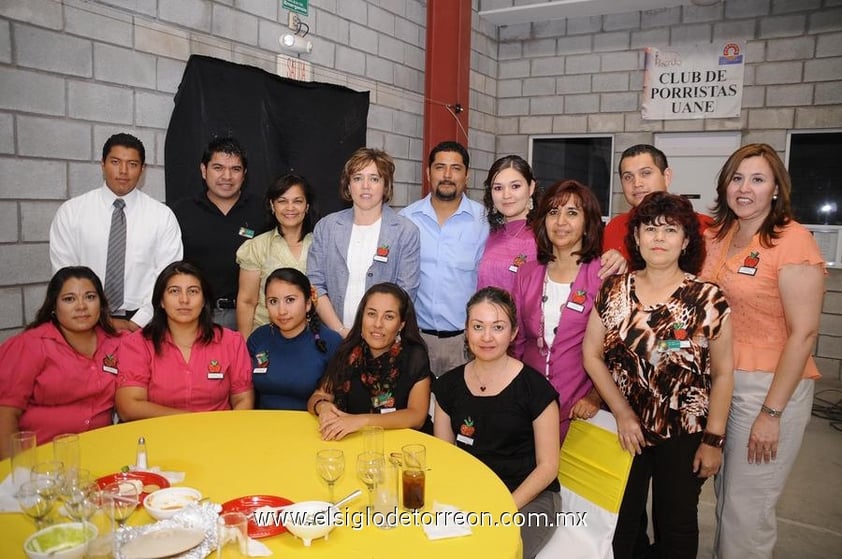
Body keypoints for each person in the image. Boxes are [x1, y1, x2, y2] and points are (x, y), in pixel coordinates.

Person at [582, 192, 734, 559]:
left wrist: (712, 442)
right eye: (650, 229)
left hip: (684, 431)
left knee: (677, 524)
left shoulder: (707, 299)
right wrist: (621, 412)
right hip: (625, 429)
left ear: (685, 240)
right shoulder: (615, 289)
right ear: (636, 238)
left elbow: (724, 373)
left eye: (670, 229)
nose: (659, 238)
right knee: (622, 522)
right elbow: (591, 354)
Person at [699, 144, 825, 559]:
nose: (745, 188)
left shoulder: (792, 241)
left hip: (768, 387)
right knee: (725, 496)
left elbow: (804, 334)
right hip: (720, 382)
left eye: (757, 179)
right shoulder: (717, 235)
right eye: (737, 178)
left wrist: (771, 414)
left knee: (747, 511)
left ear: (776, 188)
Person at [433, 287, 560, 559]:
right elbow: (446, 457)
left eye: (498, 327)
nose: (487, 337)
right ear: (466, 331)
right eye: (478, 326)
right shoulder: (448, 386)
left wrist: (502, 508)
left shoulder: (536, 390)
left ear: (513, 333)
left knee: (493, 550)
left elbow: (548, 467)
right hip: (470, 493)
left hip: (527, 498)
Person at [49, 132, 183, 332]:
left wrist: (138, 321)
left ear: (142, 169)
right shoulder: (72, 212)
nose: (123, 171)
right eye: (115, 162)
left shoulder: (162, 216)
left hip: (145, 323)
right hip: (85, 320)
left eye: (132, 164)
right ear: (102, 164)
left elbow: (168, 276)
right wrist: (99, 319)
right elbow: (64, 275)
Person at [511, 180, 604, 443]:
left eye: (572, 213)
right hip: (530, 404)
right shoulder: (527, 273)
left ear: (588, 224)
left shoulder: (604, 276)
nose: (561, 221)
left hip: (581, 409)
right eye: (553, 212)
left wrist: (596, 396)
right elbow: (517, 342)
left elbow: (615, 350)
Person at [0, 267, 121, 457]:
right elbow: (5, 413)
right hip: (40, 460)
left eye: (90, 297)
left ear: (101, 303)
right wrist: (16, 472)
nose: (81, 306)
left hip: (100, 453)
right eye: (69, 299)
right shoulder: (30, 345)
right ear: (54, 307)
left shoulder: (116, 343)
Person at [115, 261, 254, 420]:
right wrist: (192, 422)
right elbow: (129, 406)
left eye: (193, 291)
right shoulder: (138, 344)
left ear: (203, 301)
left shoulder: (231, 341)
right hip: (158, 436)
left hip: (217, 437)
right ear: (161, 301)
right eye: (174, 291)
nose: (184, 300)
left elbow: (243, 400)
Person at [307, 147, 420, 337]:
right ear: (348, 186)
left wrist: (373, 334)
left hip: (382, 338)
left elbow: (405, 293)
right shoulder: (326, 227)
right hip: (333, 336)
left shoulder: (405, 232)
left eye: (374, 179)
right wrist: (340, 332)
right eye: (358, 178)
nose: (365, 186)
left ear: (386, 186)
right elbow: (314, 284)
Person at [399, 141, 489, 376]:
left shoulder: (485, 221)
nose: (447, 175)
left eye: (456, 168)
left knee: (465, 412)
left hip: (466, 346)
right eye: (440, 167)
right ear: (428, 173)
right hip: (415, 342)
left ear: (467, 176)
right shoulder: (406, 220)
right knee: (417, 412)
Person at [306, 283, 432, 440]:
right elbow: (318, 396)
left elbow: (417, 416)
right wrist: (322, 406)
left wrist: (362, 421)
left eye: (389, 317)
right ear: (362, 318)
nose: (378, 324)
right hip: (353, 442)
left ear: (401, 324)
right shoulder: (347, 351)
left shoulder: (414, 356)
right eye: (371, 314)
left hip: (403, 446)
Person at [171, 136, 265, 330]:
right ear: (204, 170)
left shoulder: (263, 212)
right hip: (196, 316)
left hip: (249, 318)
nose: (227, 176)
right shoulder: (180, 213)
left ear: (244, 174)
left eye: (235, 169)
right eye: (218, 168)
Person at [247, 268, 341, 410]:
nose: (282, 311)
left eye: (290, 300)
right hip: (263, 427)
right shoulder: (258, 338)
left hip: (312, 426)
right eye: (273, 301)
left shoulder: (331, 341)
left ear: (308, 303)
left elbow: (328, 397)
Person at [236, 174, 317, 337]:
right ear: (272, 206)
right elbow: (247, 301)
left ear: (307, 206)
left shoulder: (320, 244)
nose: (290, 208)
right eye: (282, 201)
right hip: (266, 338)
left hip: (311, 338)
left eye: (297, 201)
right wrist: (244, 349)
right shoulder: (256, 247)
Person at [603, 144, 713, 261]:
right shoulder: (614, 228)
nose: (637, 183)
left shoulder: (704, 226)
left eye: (645, 173)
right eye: (628, 177)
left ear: (666, 176)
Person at [476, 155, 539, 294]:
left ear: (531, 187)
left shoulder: (545, 237)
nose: (506, 195)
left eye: (515, 186)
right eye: (498, 188)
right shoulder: (490, 233)